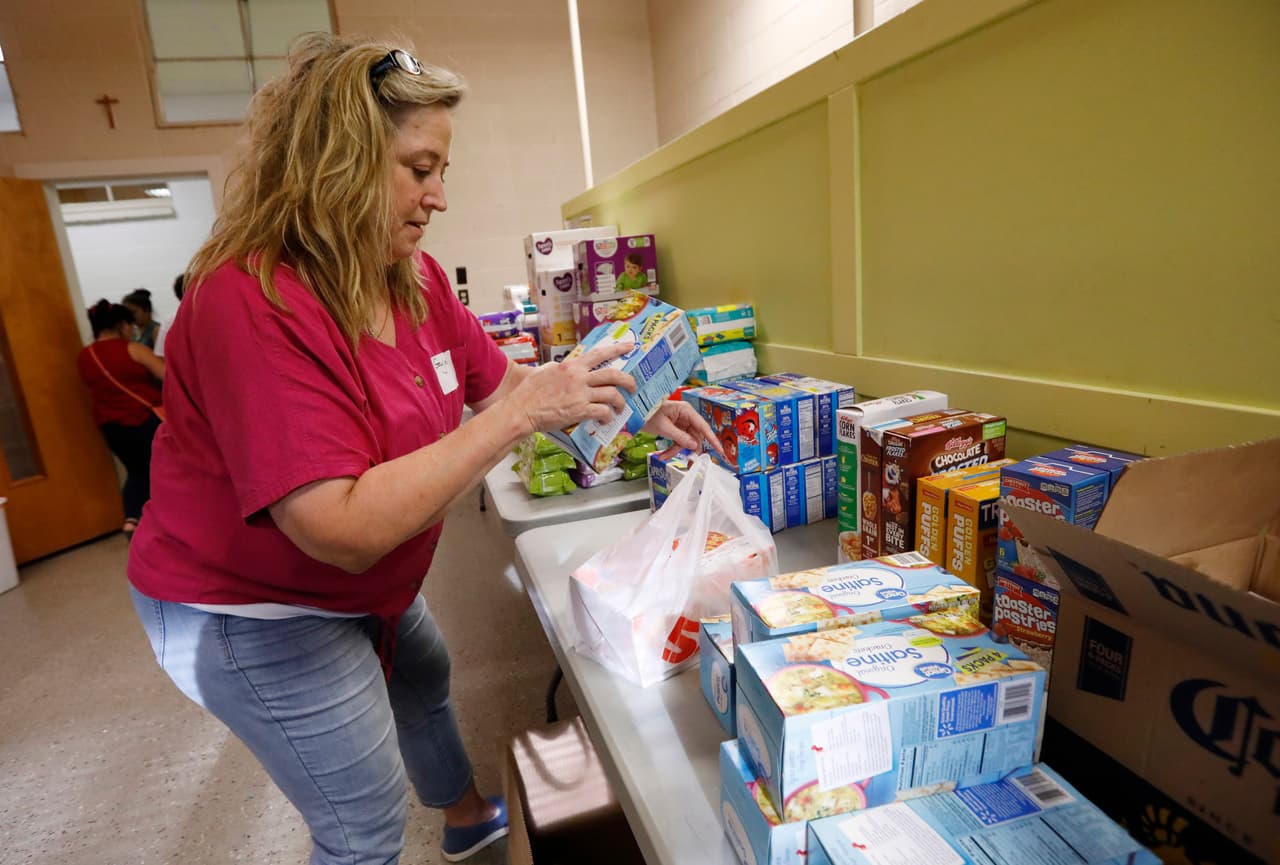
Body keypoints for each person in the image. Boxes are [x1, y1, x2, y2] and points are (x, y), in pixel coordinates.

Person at [125, 33, 718, 865]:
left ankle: (468, 813)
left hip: (364, 582)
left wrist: (627, 403)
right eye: (418, 168)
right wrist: (514, 422)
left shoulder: (413, 279)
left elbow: (502, 384)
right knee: (359, 820)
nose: (438, 196)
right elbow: (339, 524)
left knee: (425, 672)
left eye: (444, 172)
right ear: (340, 158)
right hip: (252, 605)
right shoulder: (250, 303)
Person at [75, 300, 166, 540]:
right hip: (144, 420)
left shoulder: (85, 356)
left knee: (136, 471)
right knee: (162, 470)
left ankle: (132, 519)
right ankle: (168, 522)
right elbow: (167, 375)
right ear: (121, 325)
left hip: (110, 427)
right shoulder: (132, 349)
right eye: (129, 325)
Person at [122, 288, 164, 354]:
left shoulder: (157, 330)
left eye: (133, 312)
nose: (129, 317)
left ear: (147, 310)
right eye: (126, 314)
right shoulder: (132, 332)